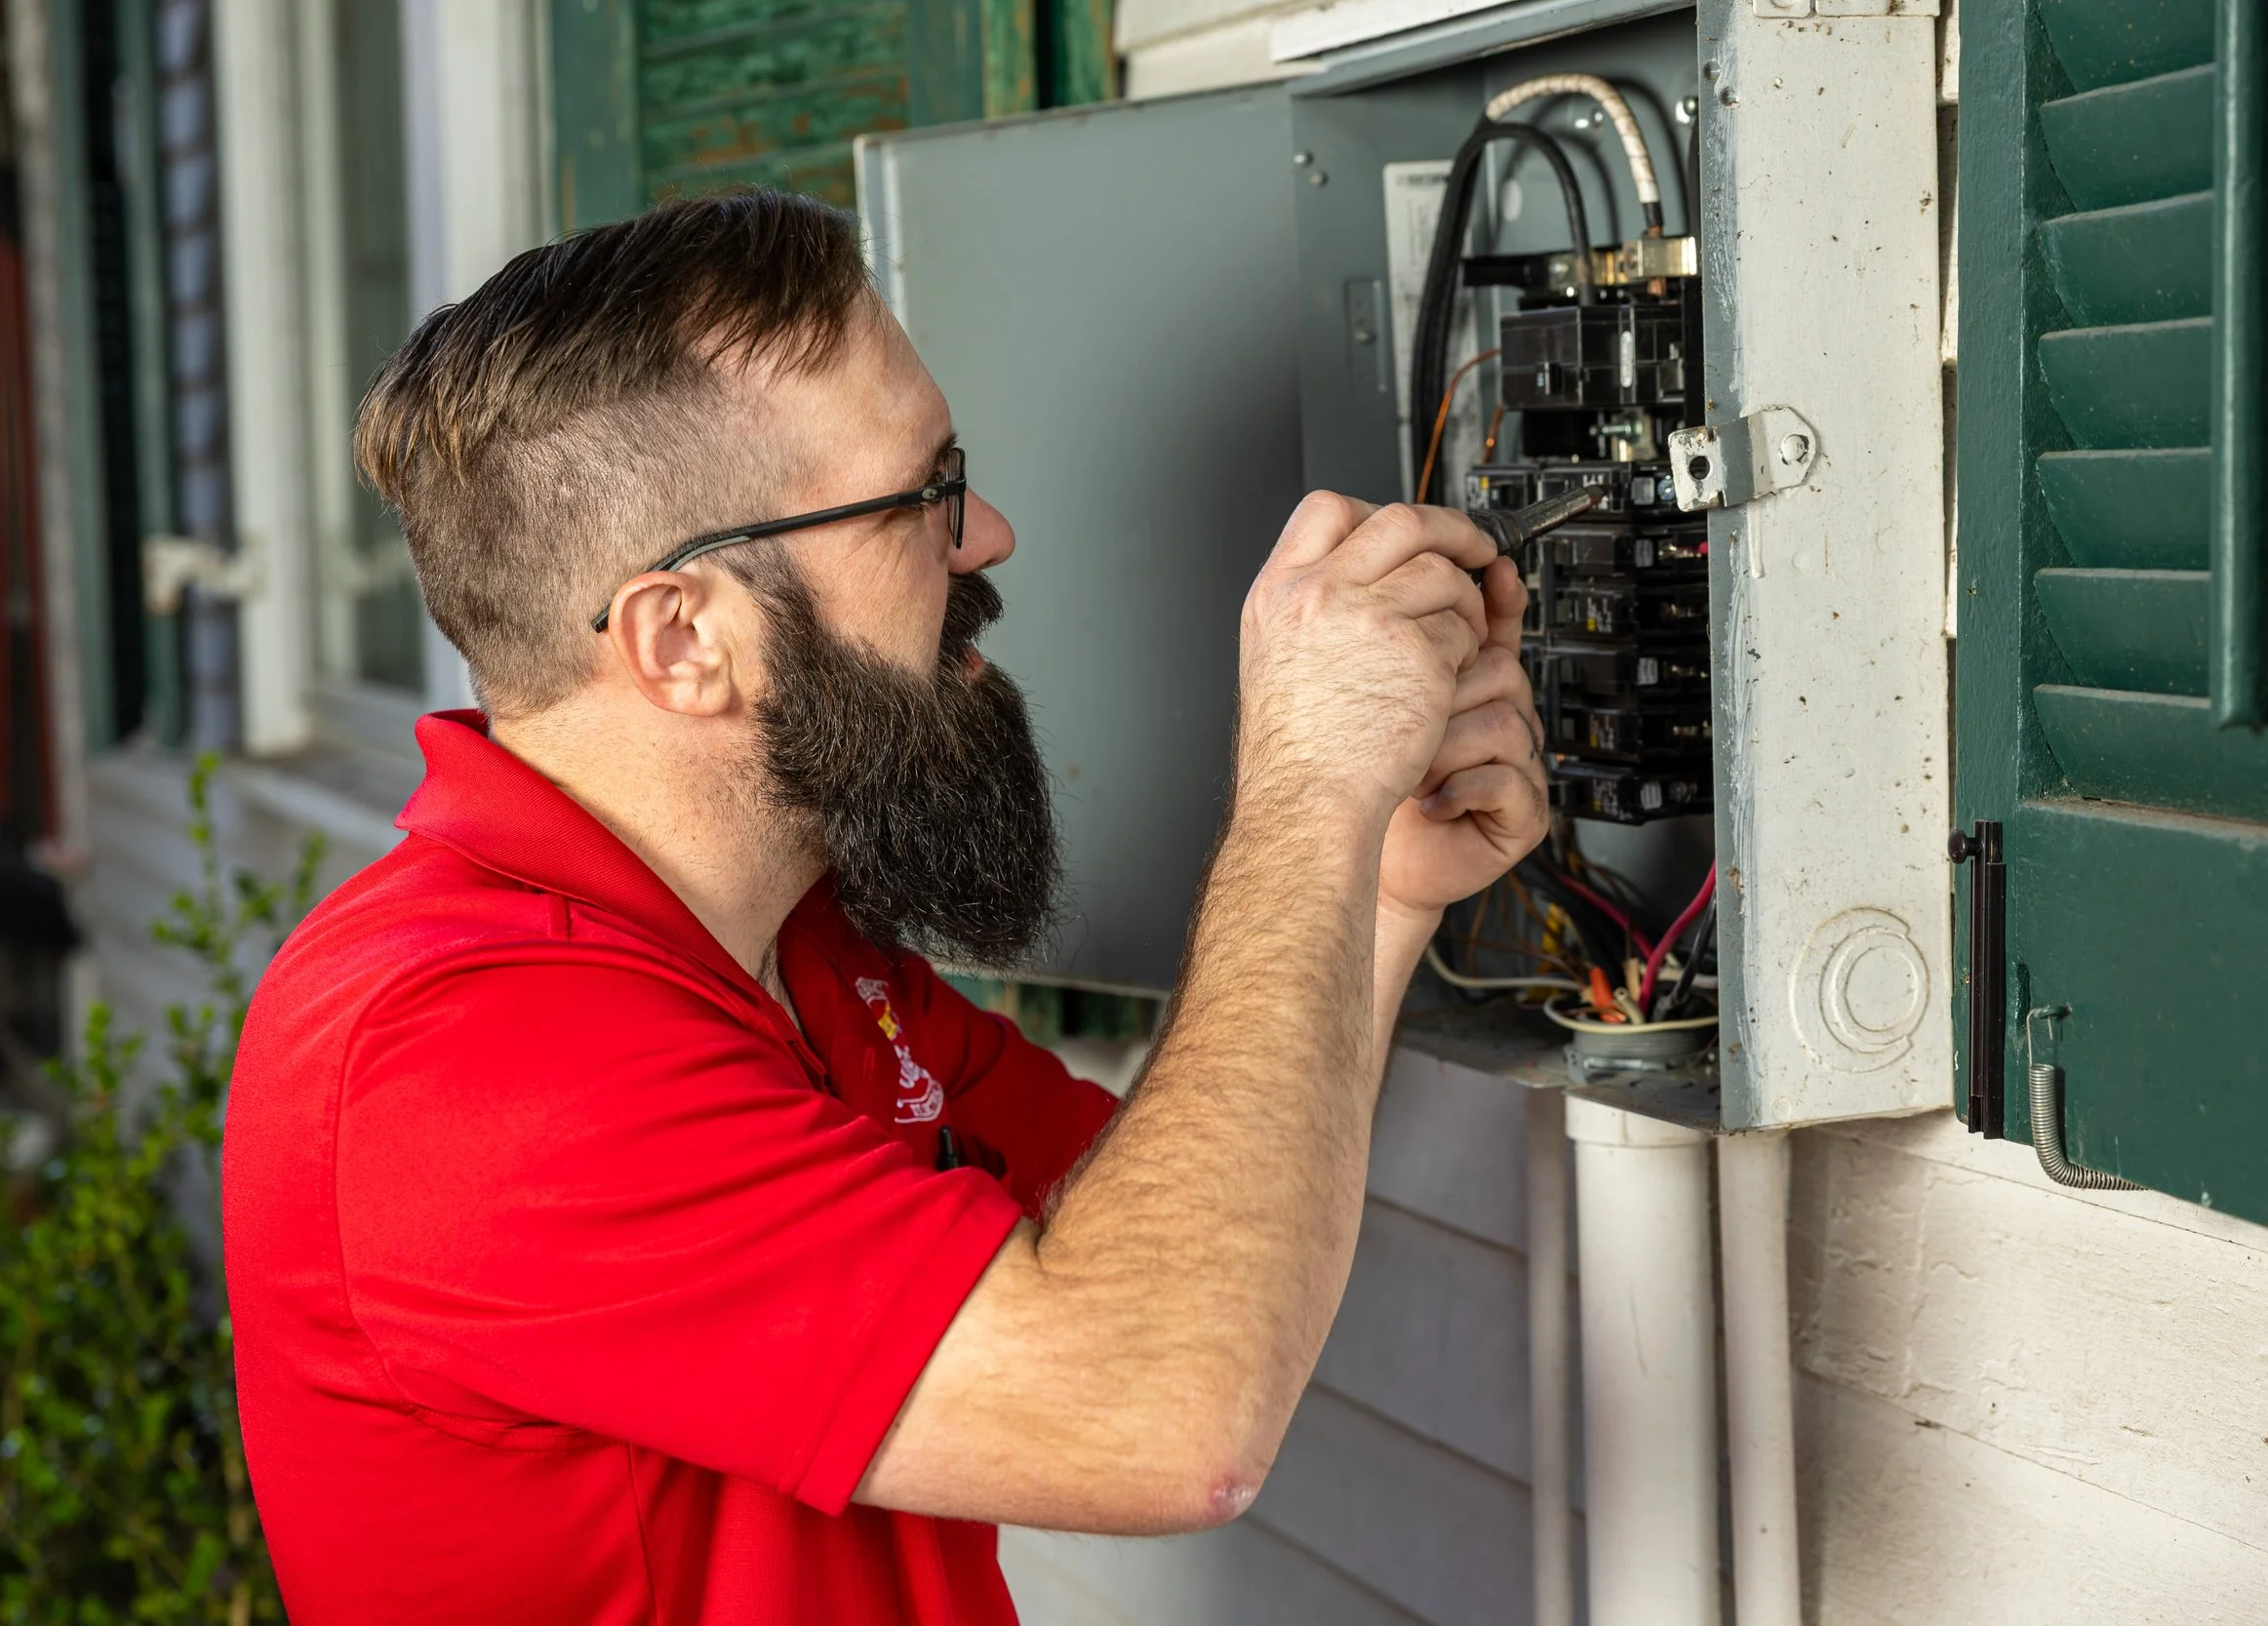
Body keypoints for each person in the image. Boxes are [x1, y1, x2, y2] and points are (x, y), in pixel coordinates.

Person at [221, 190, 1546, 1624]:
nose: (988, 535)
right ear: (686, 639)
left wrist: (1376, 885)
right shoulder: (471, 1062)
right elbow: (1163, 1411)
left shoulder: (786, 948)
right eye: (922, 492)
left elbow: (1196, 1271)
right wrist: (1301, 797)